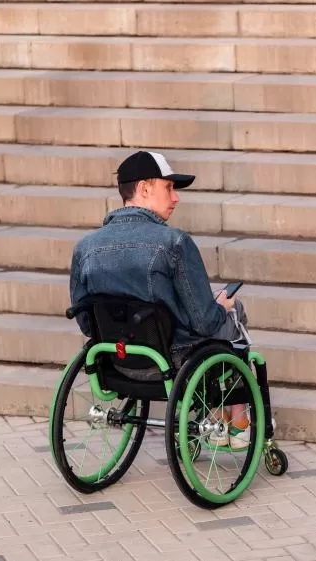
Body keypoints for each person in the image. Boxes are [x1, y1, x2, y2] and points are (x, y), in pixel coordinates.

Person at [69, 150, 251, 449]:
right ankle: (238, 420)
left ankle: (217, 416)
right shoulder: (174, 243)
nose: (176, 197)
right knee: (231, 313)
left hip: (115, 361)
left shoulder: (85, 248)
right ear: (143, 189)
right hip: (173, 362)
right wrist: (221, 306)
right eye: (168, 187)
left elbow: (87, 322)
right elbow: (204, 322)